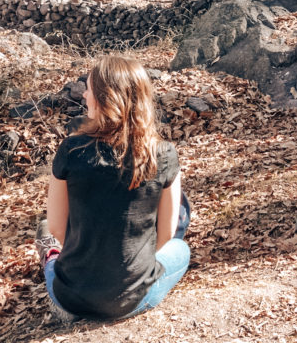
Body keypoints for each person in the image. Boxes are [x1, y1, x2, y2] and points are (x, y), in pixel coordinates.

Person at [34, 55, 190, 323]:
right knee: (181, 247)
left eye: (90, 89)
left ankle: (49, 255)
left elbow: (58, 228)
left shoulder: (71, 150)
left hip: (69, 296)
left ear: (106, 98)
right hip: (133, 298)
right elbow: (166, 235)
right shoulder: (163, 154)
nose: (84, 95)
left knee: (51, 247)